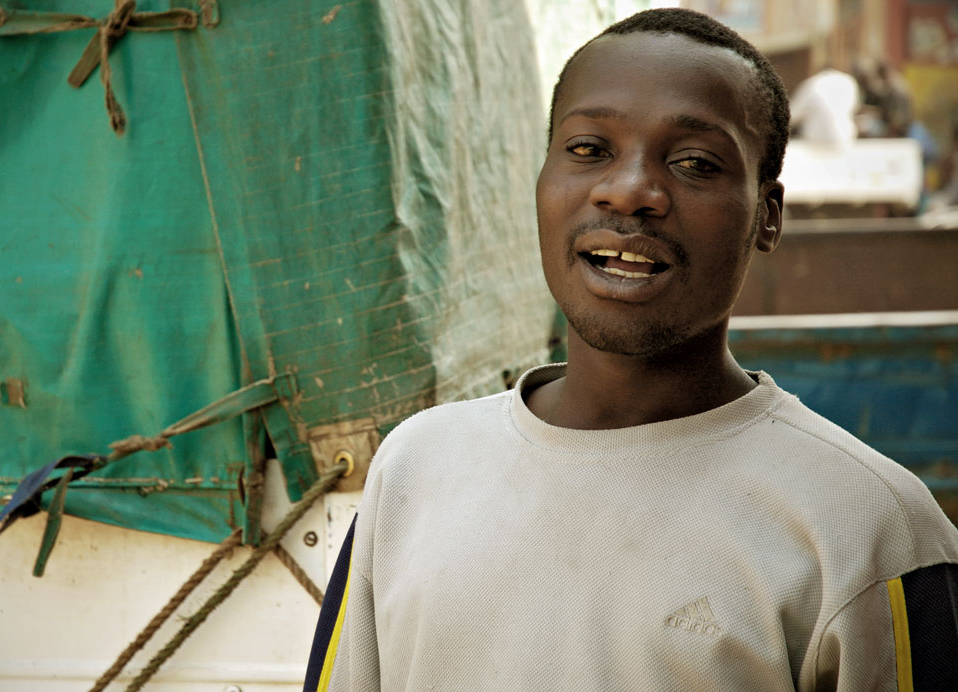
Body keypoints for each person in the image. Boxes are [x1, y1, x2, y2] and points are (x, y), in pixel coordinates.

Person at [303, 8, 958, 691]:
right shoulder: (415, 471)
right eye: (589, 149)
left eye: (694, 163)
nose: (629, 190)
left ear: (767, 215)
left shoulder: (868, 532)